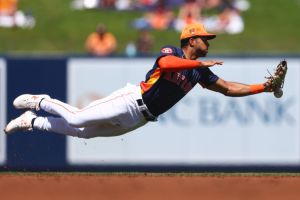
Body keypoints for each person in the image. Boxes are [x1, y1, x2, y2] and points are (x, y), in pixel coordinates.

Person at [4, 23, 287, 138]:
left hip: (141, 119)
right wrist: (196, 63)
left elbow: (227, 88)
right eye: (205, 38)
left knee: (84, 133)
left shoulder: (199, 71)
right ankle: (41, 101)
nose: (209, 43)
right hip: (131, 100)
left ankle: (33, 121)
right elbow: (165, 64)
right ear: (191, 40)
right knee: (77, 119)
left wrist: (264, 87)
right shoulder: (173, 52)